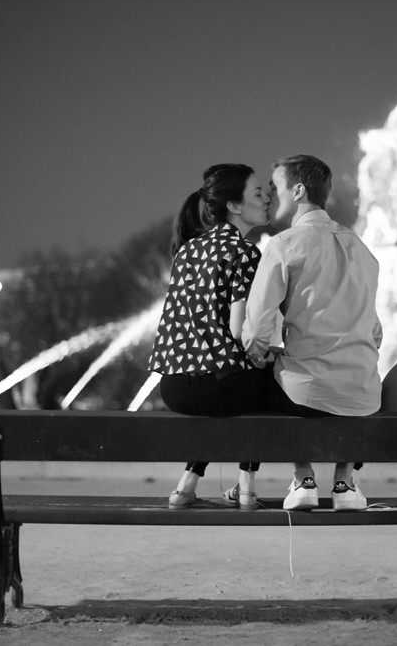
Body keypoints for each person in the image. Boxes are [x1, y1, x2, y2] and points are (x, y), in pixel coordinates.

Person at [242, 154, 383, 511]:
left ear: (299, 190)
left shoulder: (285, 245)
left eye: (276, 186)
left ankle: (303, 476)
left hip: (305, 393)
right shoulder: (363, 251)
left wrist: (259, 354)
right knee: (346, 383)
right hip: (362, 393)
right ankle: (345, 481)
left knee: (269, 379)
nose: (270, 195)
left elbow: (258, 325)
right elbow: (376, 331)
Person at [148, 163, 271, 510]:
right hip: (218, 389)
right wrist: (267, 354)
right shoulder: (245, 253)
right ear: (234, 205)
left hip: (174, 388)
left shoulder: (187, 250)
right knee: (268, 384)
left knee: (235, 383)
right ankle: (246, 484)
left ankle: (187, 483)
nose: (266, 199)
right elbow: (238, 330)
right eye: (258, 193)